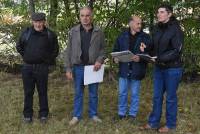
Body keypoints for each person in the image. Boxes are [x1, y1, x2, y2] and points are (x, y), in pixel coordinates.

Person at [140, 4, 184, 133]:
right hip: (159, 68)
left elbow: (176, 51)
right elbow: (154, 46)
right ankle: (153, 123)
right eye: (158, 12)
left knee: (170, 97)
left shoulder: (176, 29)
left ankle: (170, 124)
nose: (159, 14)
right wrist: (146, 48)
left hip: (173, 69)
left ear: (169, 14)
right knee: (157, 97)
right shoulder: (157, 29)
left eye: (162, 12)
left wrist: (159, 58)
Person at [65, 6, 106, 126]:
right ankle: (76, 116)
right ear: (79, 17)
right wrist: (68, 68)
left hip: (93, 68)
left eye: (87, 15)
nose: (85, 18)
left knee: (93, 93)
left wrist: (99, 60)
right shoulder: (73, 31)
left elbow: (103, 49)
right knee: (78, 93)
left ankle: (93, 114)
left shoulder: (98, 32)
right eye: (82, 15)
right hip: (78, 67)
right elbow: (68, 51)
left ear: (91, 16)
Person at [16, 12, 59, 123]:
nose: (38, 24)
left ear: (44, 22)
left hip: (42, 68)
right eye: (36, 22)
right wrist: (26, 56)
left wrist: (47, 60)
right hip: (27, 68)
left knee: (42, 91)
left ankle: (43, 114)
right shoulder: (26, 33)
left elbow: (55, 50)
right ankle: (27, 115)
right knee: (28, 92)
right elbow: (19, 46)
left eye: (40, 22)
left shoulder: (50, 35)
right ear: (33, 22)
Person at [112, 16, 151, 121]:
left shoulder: (146, 37)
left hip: (137, 71)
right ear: (130, 23)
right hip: (124, 70)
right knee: (122, 93)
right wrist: (115, 58)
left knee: (134, 93)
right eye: (137, 23)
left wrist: (140, 58)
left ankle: (132, 115)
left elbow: (150, 55)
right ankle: (121, 113)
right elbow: (115, 50)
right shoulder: (122, 36)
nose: (140, 26)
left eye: (140, 24)